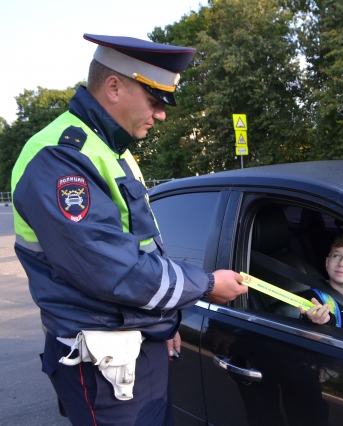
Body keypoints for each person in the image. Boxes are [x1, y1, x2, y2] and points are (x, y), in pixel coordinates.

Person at [10, 34, 248, 426]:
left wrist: (166, 320)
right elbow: (114, 270)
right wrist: (206, 284)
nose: (161, 114)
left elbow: (145, 249)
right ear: (114, 86)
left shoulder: (113, 152)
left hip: (139, 348)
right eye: (155, 101)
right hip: (103, 365)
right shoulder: (59, 158)